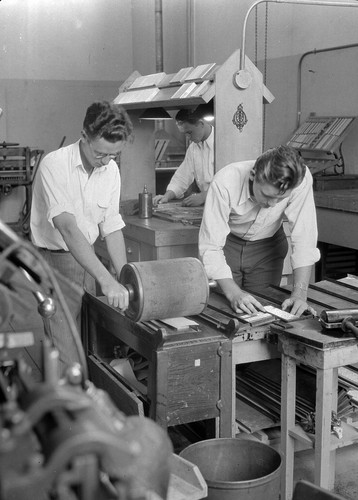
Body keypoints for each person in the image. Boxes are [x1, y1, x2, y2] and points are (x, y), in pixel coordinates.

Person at [30, 100, 133, 374]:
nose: (106, 161)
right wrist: (107, 281)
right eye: (101, 154)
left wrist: (123, 276)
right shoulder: (54, 165)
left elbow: (111, 225)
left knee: (91, 347)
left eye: (114, 155)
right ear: (84, 136)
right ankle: (64, 407)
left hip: (90, 263)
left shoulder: (110, 170)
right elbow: (68, 229)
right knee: (66, 355)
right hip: (56, 264)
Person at [199, 145, 320, 317]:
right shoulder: (224, 182)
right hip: (227, 247)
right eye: (268, 195)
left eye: (281, 199)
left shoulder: (300, 180)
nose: (272, 204)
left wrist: (299, 294)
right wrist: (234, 293)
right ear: (253, 175)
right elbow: (211, 247)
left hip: (268, 249)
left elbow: (305, 238)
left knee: (263, 313)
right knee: (223, 311)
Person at [153, 105, 214, 207]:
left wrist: (204, 196)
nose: (188, 137)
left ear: (201, 124)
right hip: (209, 206)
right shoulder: (193, 148)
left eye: (189, 132)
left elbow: (229, 182)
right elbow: (182, 177)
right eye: (185, 134)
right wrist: (167, 196)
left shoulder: (222, 141)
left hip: (230, 209)